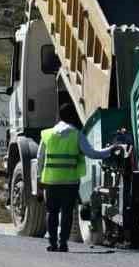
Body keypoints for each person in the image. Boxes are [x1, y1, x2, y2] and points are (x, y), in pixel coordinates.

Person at [38, 103, 118, 252]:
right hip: (70, 181)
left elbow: (40, 158)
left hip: (51, 181)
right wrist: (110, 150)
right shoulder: (77, 135)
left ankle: (52, 243)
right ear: (72, 117)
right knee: (67, 212)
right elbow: (92, 153)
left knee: (52, 212)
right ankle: (63, 243)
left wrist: (39, 179)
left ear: (60, 117)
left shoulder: (47, 134)